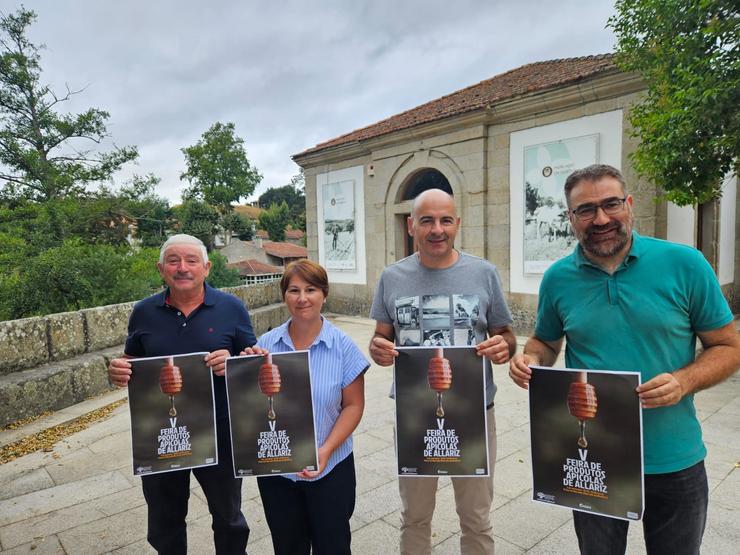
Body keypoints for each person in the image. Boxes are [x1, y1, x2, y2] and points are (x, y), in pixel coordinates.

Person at [509, 164, 740, 555]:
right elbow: (545, 343)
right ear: (571, 218)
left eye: (611, 204)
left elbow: (728, 346)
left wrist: (684, 381)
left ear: (629, 204)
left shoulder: (685, 264)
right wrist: (530, 359)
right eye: (585, 210)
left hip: (673, 457)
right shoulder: (558, 279)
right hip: (592, 457)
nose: (600, 219)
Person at [369, 188, 516, 555]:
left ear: (457, 224)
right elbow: (380, 338)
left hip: (474, 414)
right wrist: (378, 350)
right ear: (411, 225)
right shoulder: (391, 277)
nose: (437, 229)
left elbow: (506, 334)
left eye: (445, 220)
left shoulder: (484, 273)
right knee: (414, 517)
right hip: (415, 413)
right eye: (427, 220)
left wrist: (505, 348)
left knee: (476, 519)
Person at [108, 234, 255, 555]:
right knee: (164, 519)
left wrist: (234, 363)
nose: (182, 268)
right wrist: (120, 369)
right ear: (161, 269)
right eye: (174, 261)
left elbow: (251, 360)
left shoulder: (232, 308)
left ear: (206, 267)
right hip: (162, 431)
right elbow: (133, 359)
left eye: (191, 261)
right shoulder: (143, 312)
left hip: (220, 430)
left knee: (228, 517)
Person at [243, 259, 368, 555]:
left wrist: (324, 451)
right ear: (284, 295)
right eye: (294, 290)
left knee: (333, 546)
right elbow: (252, 406)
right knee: (287, 546)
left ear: (324, 294)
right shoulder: (265, 345)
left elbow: (353, 406)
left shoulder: (343, 346)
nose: (302, 298)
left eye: (310, 289)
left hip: (331, 468)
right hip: (278, 471)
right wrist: (245, 370)